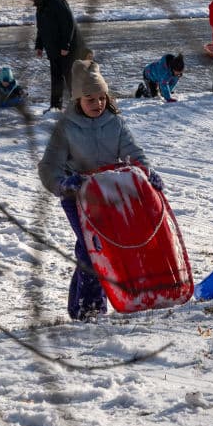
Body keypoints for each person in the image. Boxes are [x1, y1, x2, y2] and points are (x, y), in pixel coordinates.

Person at [37, 59, 163, 321]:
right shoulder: (66, 128)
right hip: (78, 197)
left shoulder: (114, 123)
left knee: (95, 248)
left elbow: (133, 153)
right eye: (90, 99)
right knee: (91, 247)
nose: (97, 104)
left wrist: (147, 173)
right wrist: (63, 184)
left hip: (110, 194)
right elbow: (49, 166)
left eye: (101, 98)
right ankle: (91, 307)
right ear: (78, 101)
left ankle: (78, 306)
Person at [26, 0, 85, 111]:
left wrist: (66, 46)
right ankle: (55, 107)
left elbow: (68, 23)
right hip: (53, 50)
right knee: (56, 78)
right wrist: (39, 46)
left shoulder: (56, 1)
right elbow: (41, 28)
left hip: (67, 49)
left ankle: (79, 106)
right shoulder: (40, 6)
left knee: (71, 78)